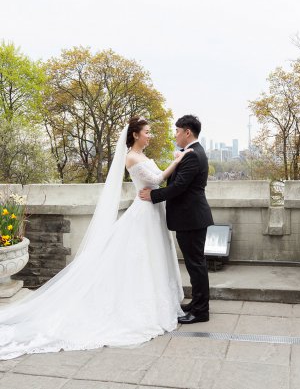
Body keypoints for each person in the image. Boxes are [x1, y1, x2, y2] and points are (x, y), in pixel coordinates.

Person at [0, 116, 188, 360]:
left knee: (153, 257)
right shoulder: (131, 156)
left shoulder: (143, 156)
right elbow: (155, 180)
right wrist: (178, 161)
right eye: (147, 132)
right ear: (135, 135)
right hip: (143, 213)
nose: (150, 135)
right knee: (141, 258)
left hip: (153, 211)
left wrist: (173, 163)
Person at [140, 115, 214, 324]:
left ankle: (201, 311)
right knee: (195, 263)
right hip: (191, 218)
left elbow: (179, 186)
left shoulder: (193, 154)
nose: (175, 135)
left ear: (187, 132)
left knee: (196, 264)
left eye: (177, 131)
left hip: (191, 218)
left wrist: (153, 196)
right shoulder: (192, 153)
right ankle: (197, 304)